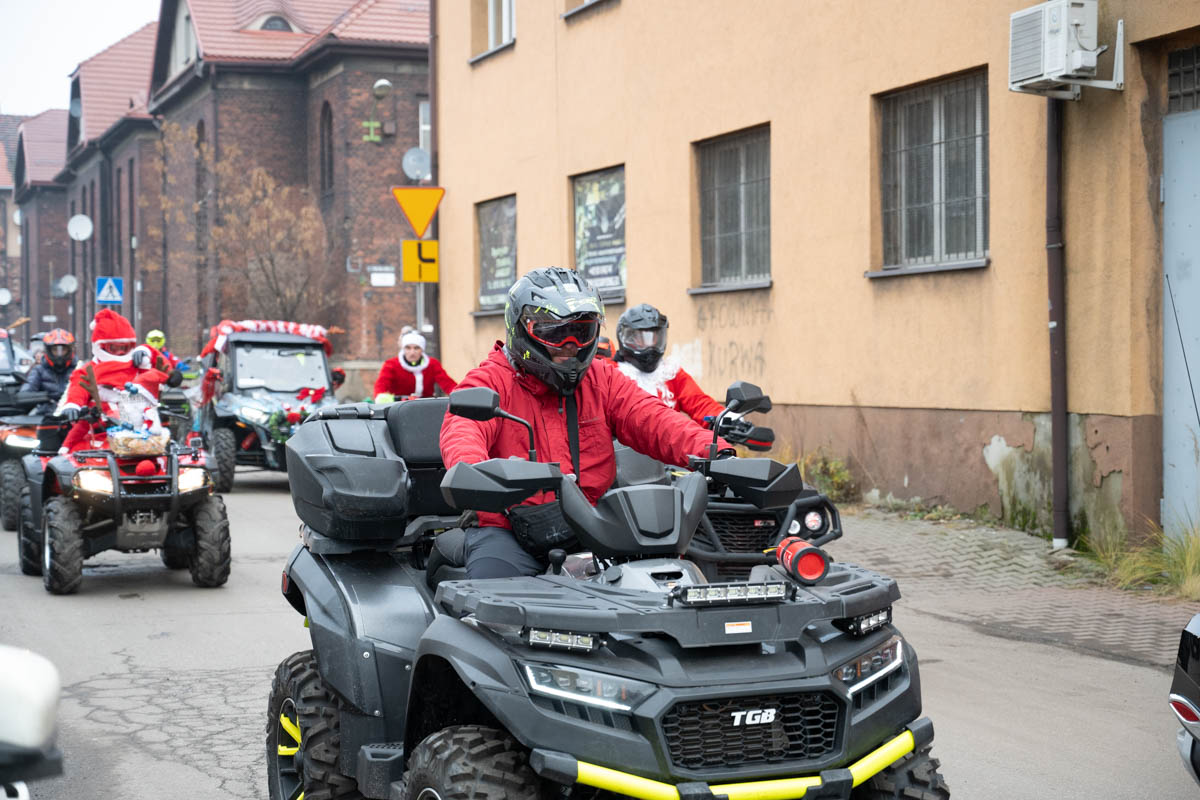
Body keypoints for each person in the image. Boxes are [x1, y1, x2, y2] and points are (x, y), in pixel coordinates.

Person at [439, 267, 731, 579]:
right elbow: (462, 429)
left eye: (581, 332)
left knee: (660, 589)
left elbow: (655, 419)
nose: (569, 345)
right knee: (493, 610)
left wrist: (718, 453)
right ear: (521, 329)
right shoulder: (489, 381)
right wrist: (471, 470)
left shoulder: (602, 378)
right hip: (506, 530)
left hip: (592, 524)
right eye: (553, 332)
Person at [58, 309, 172, 453]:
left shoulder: (138, 364)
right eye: (114, 348)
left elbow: (163, 371)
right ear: (102, 346)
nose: (119, 353)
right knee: (80, 455)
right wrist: (73, 405)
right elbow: (78, 387)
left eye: (123, 348)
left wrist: (147, 352)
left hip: (144, 433)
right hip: (101, 432)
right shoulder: (89, 370)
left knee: (168, 453)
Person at [612, 303, 728, 427]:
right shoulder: (612, 374)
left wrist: (725, 420)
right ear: (626, 339)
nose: (650, 345)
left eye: (655, 338)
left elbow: (698, 402)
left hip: (670, 443)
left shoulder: (669, 373)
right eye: (642, 338)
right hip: (624, 445)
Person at [374, 330, 457, 403]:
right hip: (399, 407)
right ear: (403, 349)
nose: (412, 352)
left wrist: (460, 395)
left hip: (426, 406)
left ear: (422, 350)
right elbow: (381, 386)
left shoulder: (432, 364)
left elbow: (447, 384)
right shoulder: (391, 365)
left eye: (416, 348)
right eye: (408, 348)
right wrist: (382, 398)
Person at [19, 329, 76, 413]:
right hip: (45, 417)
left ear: (69, 350)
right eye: (55, 350)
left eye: (63, 350)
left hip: (74, 416)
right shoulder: (39, 370)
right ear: (48, 350)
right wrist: (42, 397)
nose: (59, 354)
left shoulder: (79, 369)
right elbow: (26, 392)